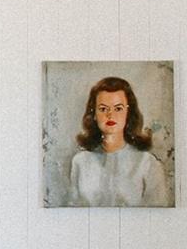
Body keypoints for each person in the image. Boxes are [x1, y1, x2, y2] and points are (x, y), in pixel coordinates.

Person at [68, 75, 170, 207]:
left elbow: (157, 216)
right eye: (103, 109)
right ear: (94, 114)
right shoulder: (80, 162)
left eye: (118, 108)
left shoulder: (147, 163)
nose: (110, 114)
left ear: (129, 112)